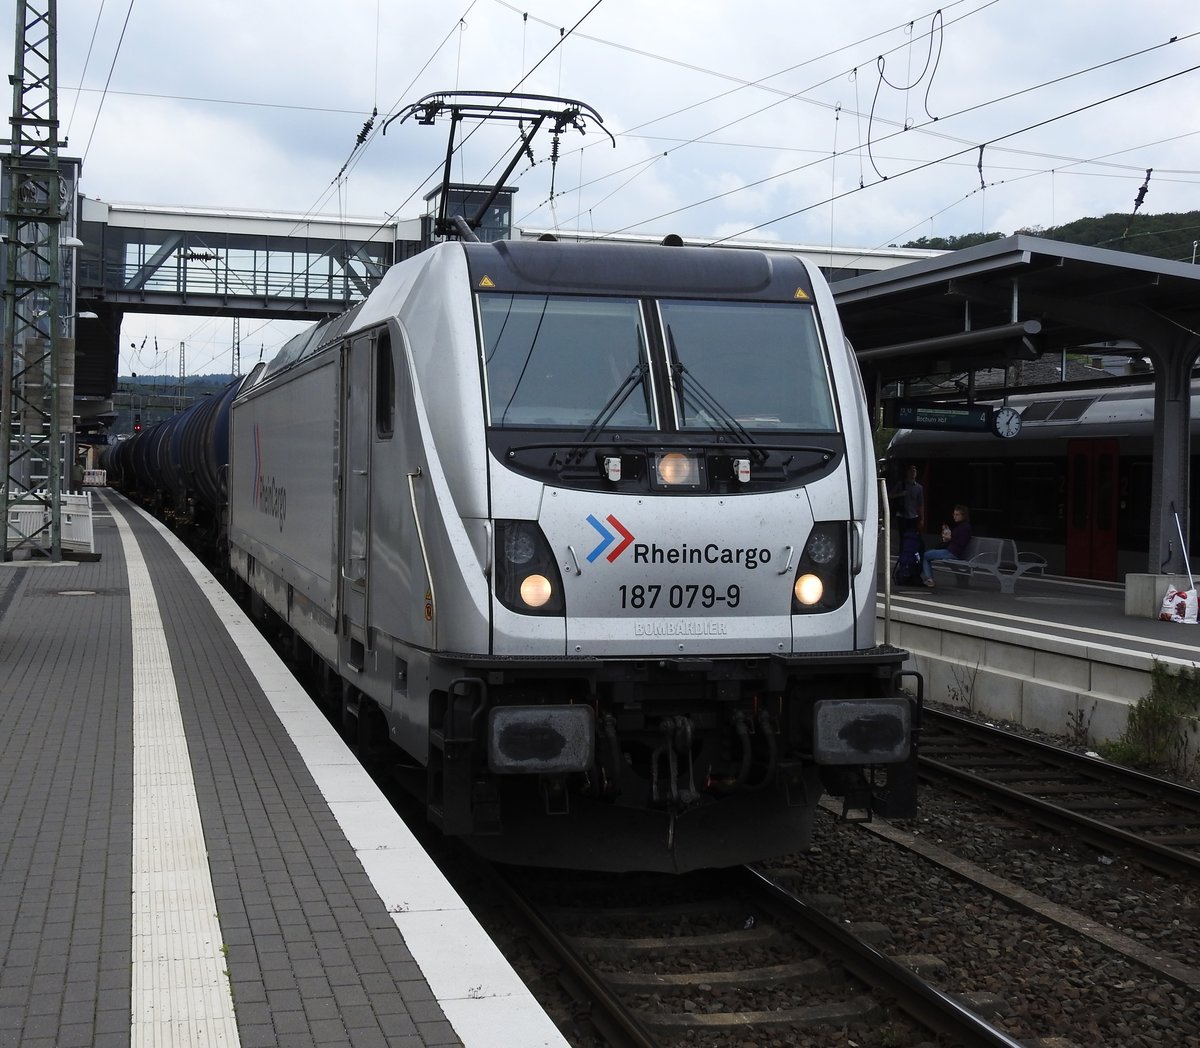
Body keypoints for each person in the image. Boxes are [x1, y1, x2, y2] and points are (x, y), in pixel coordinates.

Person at [921, 504, 971, 588]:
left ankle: (929, 579)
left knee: (925, 555)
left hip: (952, 552)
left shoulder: (964, 528)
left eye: (957, 515)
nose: (955, 516)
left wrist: (950, 538)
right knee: (927, 554)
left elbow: (961, 542)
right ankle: (928, 578)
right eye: (954, 514)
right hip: (952, 551)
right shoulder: (962, 526)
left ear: (964, 515)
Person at [892, 465, 924, 534]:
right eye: (911, 471)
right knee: (902, 536)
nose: (913, 473)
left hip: (913, 517)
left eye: (915, 471)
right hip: (902, 516)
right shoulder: (900, 484)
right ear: (907, 473)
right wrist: (900, 494)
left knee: (911, 536)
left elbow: (920, 504)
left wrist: (922, 518)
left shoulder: (919, 488)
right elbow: (889, 495)